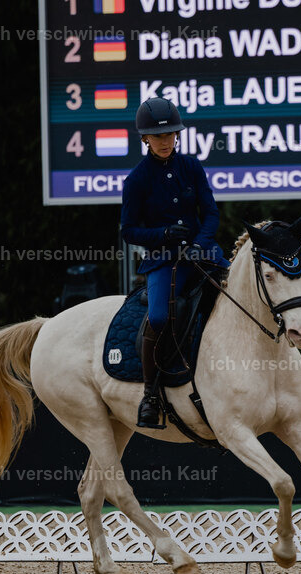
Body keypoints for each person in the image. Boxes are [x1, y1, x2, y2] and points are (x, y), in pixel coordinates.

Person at [120, 97, 231, 429]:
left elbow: (210, 213)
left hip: (203, 253)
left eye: (170, 135)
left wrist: (200, 244)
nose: (165, 141)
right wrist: (163, 234)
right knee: (157, 316)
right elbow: (129, 231)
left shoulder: (191, 167)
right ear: (145, 139)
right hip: (164, 260)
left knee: (242, 293)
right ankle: (151, 395)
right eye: (158, 136)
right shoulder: (137, 180)